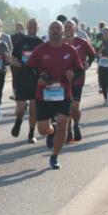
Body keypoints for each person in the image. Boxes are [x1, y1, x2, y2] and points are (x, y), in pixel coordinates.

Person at [26, 21, 83, 170]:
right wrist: (38, 79)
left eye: (58, 28)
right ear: (49, 31)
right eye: (52, 28)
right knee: (43, 130)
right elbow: (29, 69)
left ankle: (54, 157)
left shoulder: (70, 50)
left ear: (63, 32)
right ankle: (52, 130)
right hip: (43, 95)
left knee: (63, 122)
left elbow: (79, 70)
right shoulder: (40, 49)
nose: (55, 30)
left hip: (63, 94)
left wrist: (73, 74)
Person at [9, 18, 42, 143]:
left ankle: (31, 134)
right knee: (20, 109)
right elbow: (13, 58)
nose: (32, 27)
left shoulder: (41, 43)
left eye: (35, 25)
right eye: (30, 25)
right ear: (27, 27)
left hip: (36, 80)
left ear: (37, 27)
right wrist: (15, 63)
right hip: (22, 78)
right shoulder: (21, 42)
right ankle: (18, 121)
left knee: (33, 110)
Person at [63, 20, 96, 143]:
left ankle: (76, 124)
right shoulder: (60, 42)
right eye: (66, 27)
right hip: (63, 78)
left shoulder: (82, 42)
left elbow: (92, 55)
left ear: (75, 28)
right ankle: (68, 131)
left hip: (78, 77)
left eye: (70, 27)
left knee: (74, 107)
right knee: (66, 107)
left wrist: (88, 63)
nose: (67, 29)